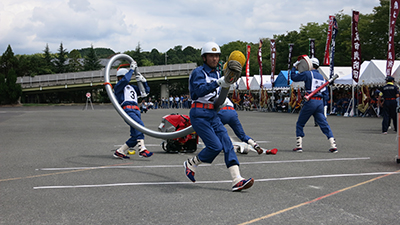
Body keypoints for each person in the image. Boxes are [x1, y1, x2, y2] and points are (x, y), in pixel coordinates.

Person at [183, 41, 254, 192]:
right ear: (204, 57)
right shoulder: (198, 72)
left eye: (217, 56)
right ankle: (192, 162)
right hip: (199, 114)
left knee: (227, 144)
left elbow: (218, 94)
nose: (214, 59)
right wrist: (218, 83)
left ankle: (237, 179)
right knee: (215, 146)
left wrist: (225, 84)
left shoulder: (217, 73)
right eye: (211, 55)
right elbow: (197, 92)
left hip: (213, 113)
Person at [290, 57, 337, 153]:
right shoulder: (322, 78)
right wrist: (324, 106)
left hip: (310, 100)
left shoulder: (308, 74)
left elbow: (294, 77)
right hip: (319, 102)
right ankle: (333, 144)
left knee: (300, 123)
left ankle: (299, 145)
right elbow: (325, 94)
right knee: (324, 124)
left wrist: (294, 67)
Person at [113, 63, 154, 159]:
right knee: (140, 127)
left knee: (135, 137)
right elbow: (125, 80)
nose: (122, 79)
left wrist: (144, 81)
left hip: (136, 111)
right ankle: (142, 149)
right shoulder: (118, 87)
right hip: (128, 110)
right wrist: (131, 70)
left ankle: (120, 151)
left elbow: (145, 92)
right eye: (121, 77)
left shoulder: (133, 87)